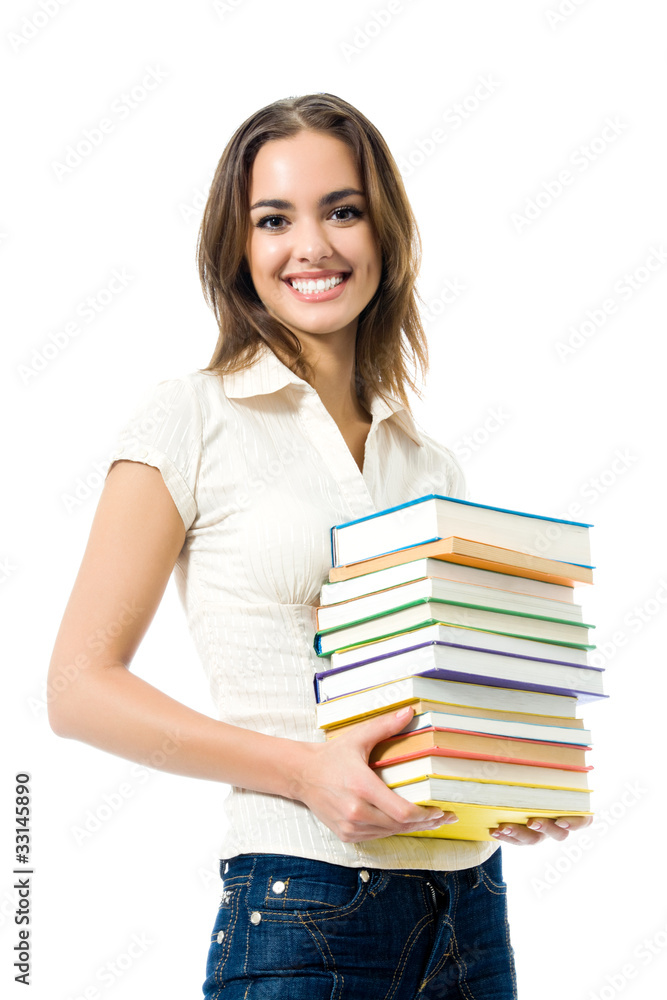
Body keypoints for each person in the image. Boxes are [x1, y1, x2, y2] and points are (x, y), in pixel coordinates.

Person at [47, 93, 592, 999]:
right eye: (274, 219)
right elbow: (76, 690)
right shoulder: (189, 420)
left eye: (342, 210)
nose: (313, 246)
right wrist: (304, 772)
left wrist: (504, 772)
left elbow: (438, 688)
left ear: (384, 232)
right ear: (238, 248)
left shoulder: (428, 461)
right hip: (305, 904)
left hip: (471, 907)